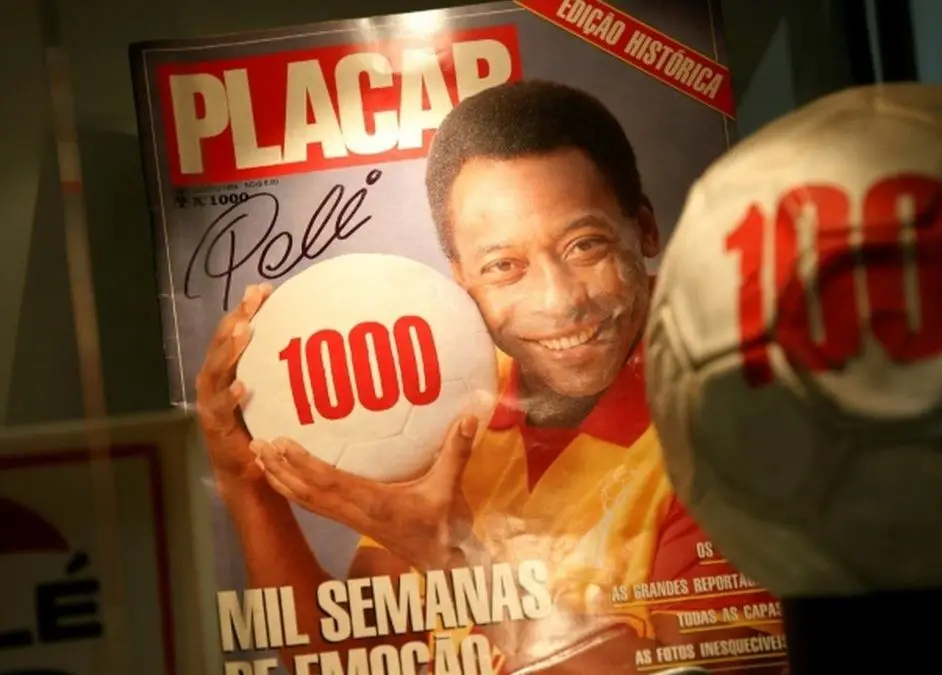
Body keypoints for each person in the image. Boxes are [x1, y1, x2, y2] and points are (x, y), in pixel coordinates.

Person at [196, 81, 781, 674]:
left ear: (646, 229)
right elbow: (352, 664)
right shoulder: (451, 404)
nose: (559, 301)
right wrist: (246, 483)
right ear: (461, 277)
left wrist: (453, 559)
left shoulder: (743, 420)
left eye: (585, 245)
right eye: (504, 266)